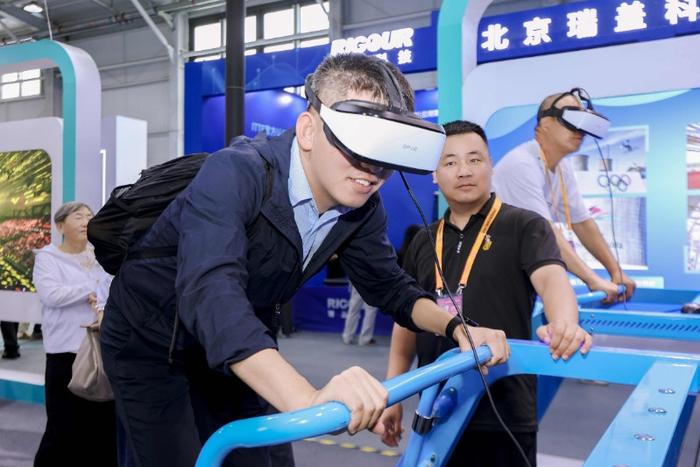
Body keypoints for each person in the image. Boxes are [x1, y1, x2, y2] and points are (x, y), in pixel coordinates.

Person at [99, 53, 510, 467]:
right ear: (309, 130)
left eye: (386, 148)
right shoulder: (237, 172)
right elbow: (212, 295)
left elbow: (389, 286)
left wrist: (456, 326)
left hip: (239, 342)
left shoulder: (362, 205)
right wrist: (307, 399)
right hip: (150, 343)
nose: (373, 168)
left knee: (262, 460)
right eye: (360, 142)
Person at [379, 121, 592, 466]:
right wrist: (393, 393)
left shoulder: (525, 225)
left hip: (505, 409)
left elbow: (552, 280)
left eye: (474, 159)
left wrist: (565, 323)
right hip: (436, 408)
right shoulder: (423, 240)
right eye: (450, 162)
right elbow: (407, 322)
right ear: (434, 174)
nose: (463, 171)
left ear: (491, 166)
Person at [492, 89, 636, 303]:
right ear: (545, 123)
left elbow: (583, 223)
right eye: (572, 118)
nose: (580, 130)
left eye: (584, 121)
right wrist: (593, 280)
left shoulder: (562, 168)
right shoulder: (521, 164)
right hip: (495, 277)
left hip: (522, 276)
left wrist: (616, 271)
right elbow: (544, 232)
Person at [32, 201, 117, 466]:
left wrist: (96, 291)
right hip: (64, 353)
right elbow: (52, 295)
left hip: (99, 350)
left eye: (90, 216)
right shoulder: (47, 258)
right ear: (60, 226)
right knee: (62, 425)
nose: (86, 222)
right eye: (78, 217)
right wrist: (92, 288)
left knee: (102, 424)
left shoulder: (100, 256)